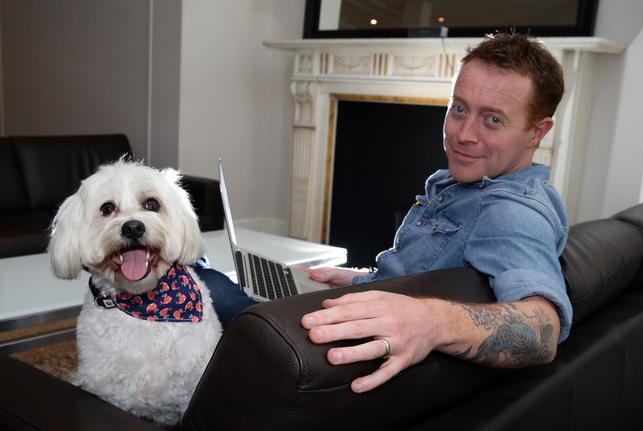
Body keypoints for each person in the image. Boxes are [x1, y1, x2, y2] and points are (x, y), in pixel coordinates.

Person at [195, 32, 572, 394]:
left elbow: (543, 330)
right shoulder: (468, 185)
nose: (464, 134)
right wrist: (359, 281)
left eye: (492, 119)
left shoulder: (511, 211)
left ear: (537, 132)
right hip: (358, 306)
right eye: (459, 108)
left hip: (342, 349)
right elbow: (427, 273)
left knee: (195, 281)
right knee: (201, 273)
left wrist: (431, 321)